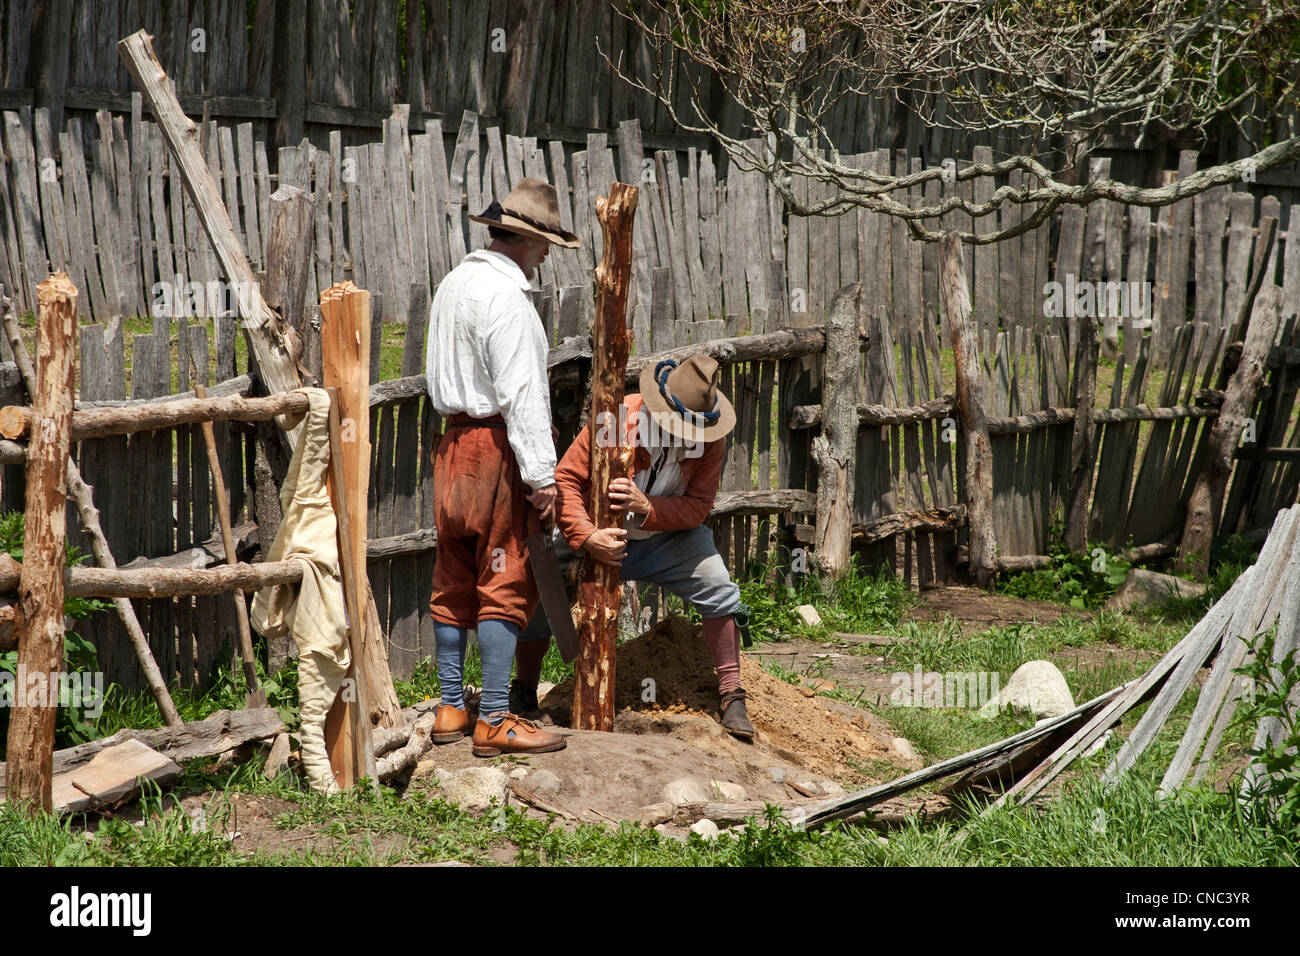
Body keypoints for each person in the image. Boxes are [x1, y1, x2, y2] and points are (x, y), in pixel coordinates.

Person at [515, 353, 757, 740]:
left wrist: (649, 508)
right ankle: (524, 691)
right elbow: (566, 480)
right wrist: (587, 536)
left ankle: (731, 694)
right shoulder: (616, 418)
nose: (685, 433)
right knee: (540, 582)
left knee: (718, 584)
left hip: (668, 538)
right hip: (596, 534)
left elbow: (698, 507)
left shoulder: (712, 440)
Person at [425, 179, 578, 757]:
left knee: (454, 573)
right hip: (495, 451)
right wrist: (542, 480)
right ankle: (493, 715)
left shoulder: (453, 285)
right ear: (526, 240)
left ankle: (448, 706)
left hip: (452, 448)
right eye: (544, 245)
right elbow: (523, 398)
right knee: (504, 577)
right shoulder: (509, 301)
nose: (545, 256)